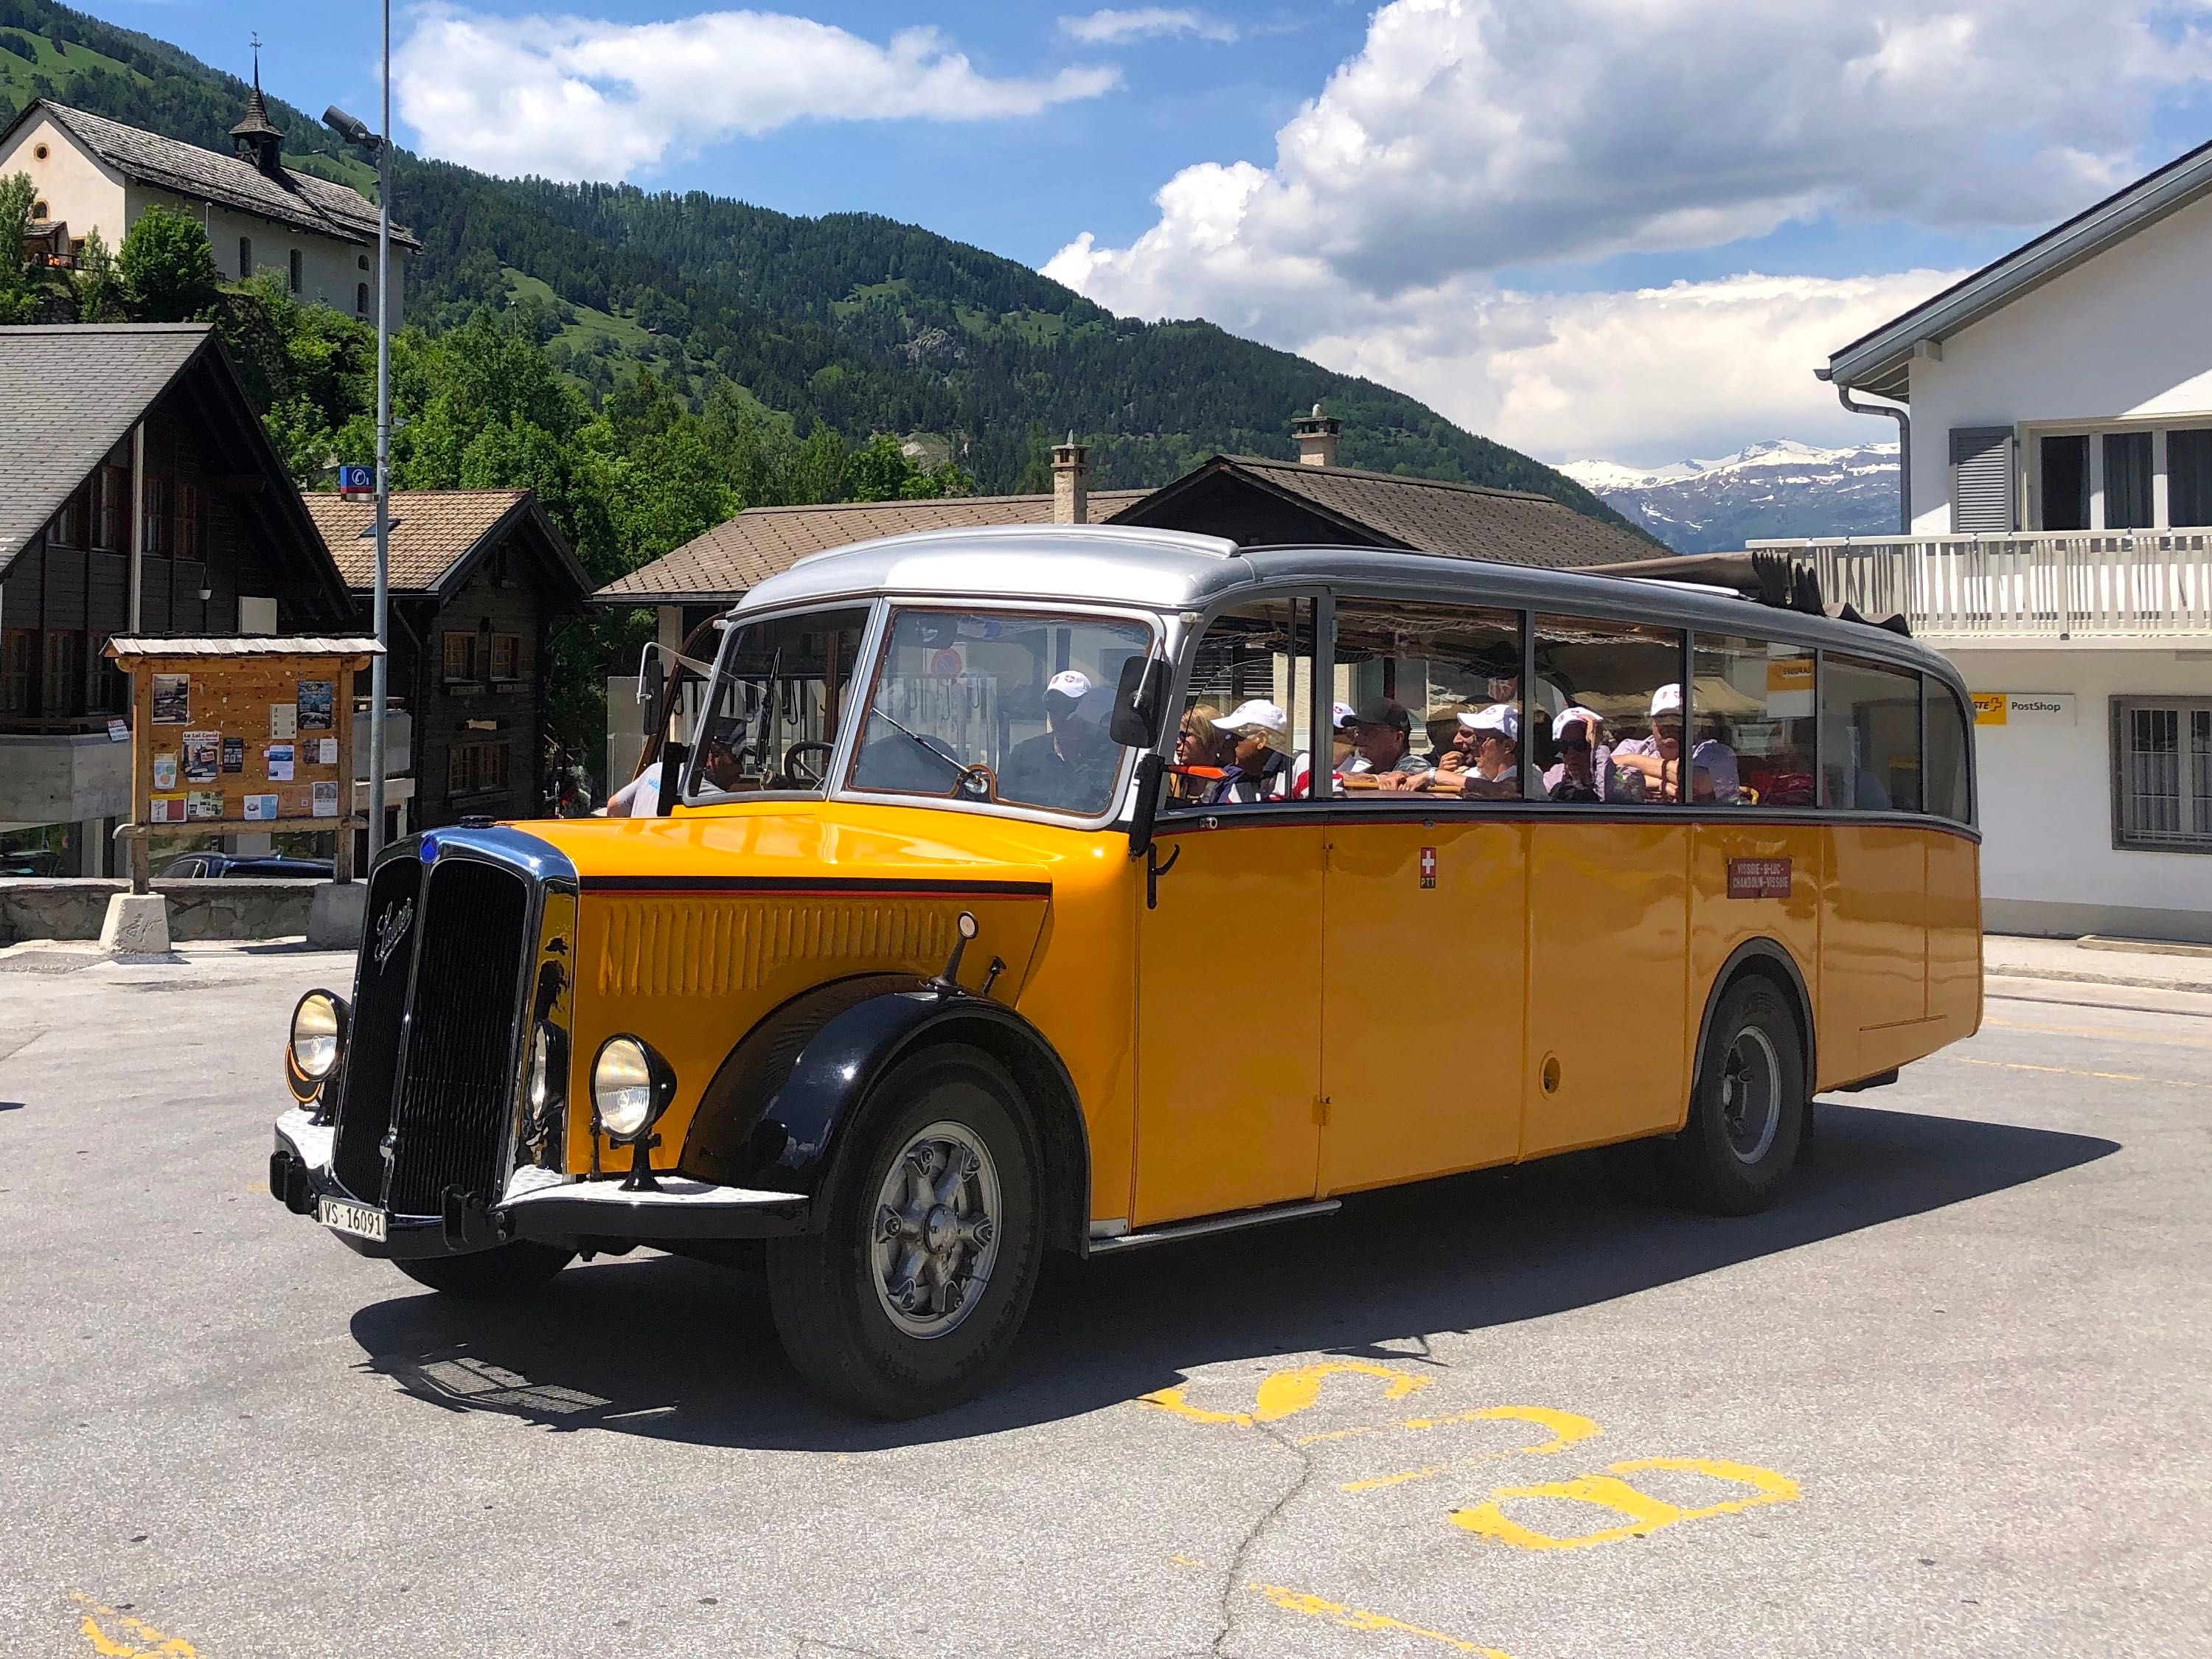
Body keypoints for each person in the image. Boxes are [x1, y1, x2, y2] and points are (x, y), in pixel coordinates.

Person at [998, 669, 1122, 812]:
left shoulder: (1112, 755)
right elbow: (1003, 804)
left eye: (1069, 706)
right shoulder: (1023, 754)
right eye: (1053, 705)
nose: (1059, 713)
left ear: (1088, 709)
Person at [1612, 685, 1722, 803]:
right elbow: (1611, 778)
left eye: (1678, 719)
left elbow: (1697, 783)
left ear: (1696, 724)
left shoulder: (1714, 753)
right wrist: (1662, 784)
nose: (1670, 726)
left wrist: (1632, 761)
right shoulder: (1631, 747)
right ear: (1651, 722)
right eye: (1662, 718)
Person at [1204, 700, 1296, 803]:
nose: (1227, 744)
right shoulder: (1241, 783)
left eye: (1235, 736)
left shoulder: (1302, 769)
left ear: (1261, 740)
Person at [1541, 705, 1638, 803]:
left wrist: (1597, 750)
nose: (1571, 755)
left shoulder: (1626, 776)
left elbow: (1608, 805)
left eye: (1579, 745)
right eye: (1563, 746)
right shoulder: (1553, 778)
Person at [1430, 703, 1528, 799]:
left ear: (1507, 746)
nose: (1473, 745)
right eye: (1474, 738)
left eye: (1480, 739)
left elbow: (1505, 792)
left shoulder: (1528, 780)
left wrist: (1438, 776)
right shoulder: (1478, 773)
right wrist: (1433, 776)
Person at [1348, 698, 1433, 793]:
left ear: (1398, 738)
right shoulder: (1368, 771)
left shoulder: (1415, 764)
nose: (1359, 738)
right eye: (1358, 732)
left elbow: (1396, 780)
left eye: (1368, 732)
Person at [1171, 702, 1231, 803]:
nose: (1177, 742)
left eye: (1185, 735)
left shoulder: (1229, 777)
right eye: (1176, 735)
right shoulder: (1174, 776)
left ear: (1209, 737)